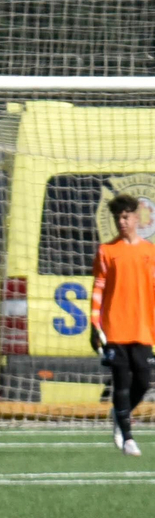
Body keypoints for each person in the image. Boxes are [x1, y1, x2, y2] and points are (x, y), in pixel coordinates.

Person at [90, 193, 155, 457]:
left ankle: (121, 414)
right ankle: (127, 437)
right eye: (118, 217)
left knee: (144, 380)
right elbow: (98, 289)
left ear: (137, 218)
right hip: (114, 328)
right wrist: (94, 325)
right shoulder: (107, 251)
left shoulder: (150, 252)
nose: (122, 222)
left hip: (142, 328)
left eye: (126, 217)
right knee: (121, 382)